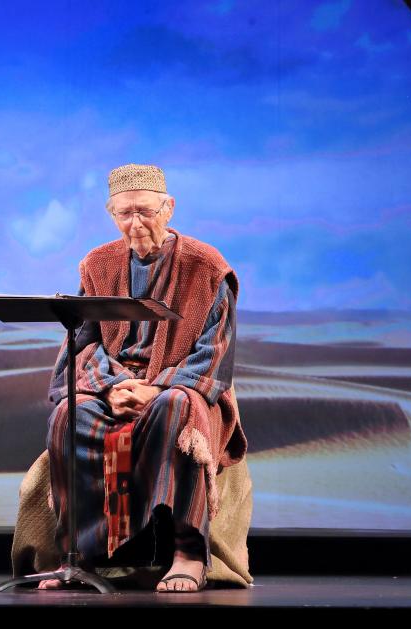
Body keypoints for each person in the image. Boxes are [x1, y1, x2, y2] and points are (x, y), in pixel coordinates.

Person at [39, 164, 247, 592]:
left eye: (146, 212)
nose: (136, 224)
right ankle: (80, 555)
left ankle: (188, 553)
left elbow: (214, 352)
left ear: (168, 208)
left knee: (177, 409)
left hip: (179, 388)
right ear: (110, 214)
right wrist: (109, 387)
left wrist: (156, 387)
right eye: (125, 214)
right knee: (67, 413)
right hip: (115, 386)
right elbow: (82, 341)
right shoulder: (98, 264)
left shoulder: (205, 266)